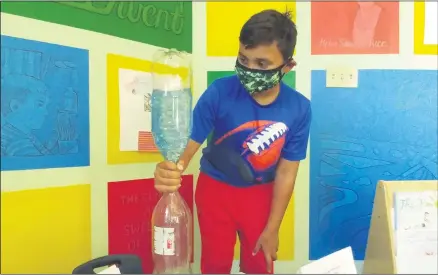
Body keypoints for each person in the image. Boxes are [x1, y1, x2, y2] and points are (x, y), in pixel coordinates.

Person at [154, 9, 311, 274]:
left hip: (262, 198)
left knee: (260, 266)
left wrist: (273, 228)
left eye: (261, 64)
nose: (249, 70)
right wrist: (169, 170)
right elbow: (186, 147)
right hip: (214, 192)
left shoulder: (299, 108)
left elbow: (287, 172)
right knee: (215, 266)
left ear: (287, 67)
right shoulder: (219, 91)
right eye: (243, 59)